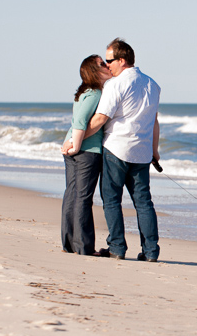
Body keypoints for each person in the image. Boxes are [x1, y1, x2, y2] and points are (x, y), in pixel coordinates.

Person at [84, 38, 162, 262]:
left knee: (111, 200)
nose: (106, 65)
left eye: (109, 60)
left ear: (122, 60)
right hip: (142, 152)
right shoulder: (152, 84)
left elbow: (100, 118)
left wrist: (76, 139)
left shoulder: (115, 84)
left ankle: (117, 248)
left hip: (117, 149)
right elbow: (154, 121)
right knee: (144, 203)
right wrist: (154, 151)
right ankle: (150, 252)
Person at [59, 54, 112, 256]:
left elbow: (76, 122)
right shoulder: (95, 95)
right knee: (82, 198)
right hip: (86, 152)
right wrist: (76, 145)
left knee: (72, 195)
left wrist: (72, 144)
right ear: (93, 70)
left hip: (74, 148)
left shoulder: (86, 92)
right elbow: (80, 121)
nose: (107, 66)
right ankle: (83, 247)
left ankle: (70, 244)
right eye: (102, 64)